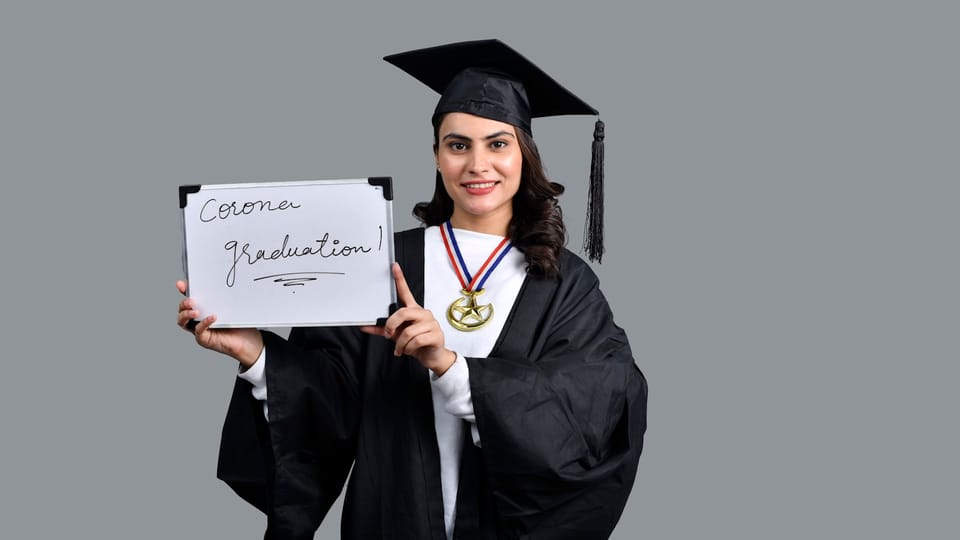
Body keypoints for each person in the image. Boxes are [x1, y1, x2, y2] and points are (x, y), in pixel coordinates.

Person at [177, 39, 647, 540]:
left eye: (498, 143)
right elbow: (328, 400)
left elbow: (593, 407)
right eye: (458, 144)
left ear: (525, 155)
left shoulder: (565, 284)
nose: (477, 164)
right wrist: (257, 355)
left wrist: (451, 368)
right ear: (437, 156)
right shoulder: (378, 260)